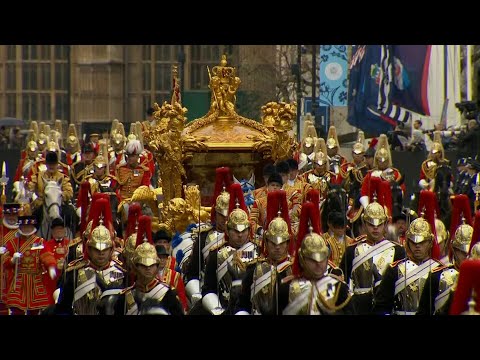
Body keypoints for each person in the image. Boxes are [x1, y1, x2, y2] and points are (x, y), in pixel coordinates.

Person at [55, 198, 126, 315]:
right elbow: (63, 308)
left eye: (105, 249)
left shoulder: (122, 272)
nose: (101, 253)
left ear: (111, 249)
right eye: (96, 249)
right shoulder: (74, 273)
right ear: (89, 248)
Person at [282, 201, 354, 315]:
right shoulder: (286, 288)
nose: (318, 263)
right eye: (312, 259)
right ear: (302, 259)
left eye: (322, 258)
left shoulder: (339, 287)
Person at [339, 199, 406, 315]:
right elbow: (343, 285)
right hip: (358, 308)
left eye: (379, 224)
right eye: (371, 224)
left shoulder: (398, 251)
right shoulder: (351, 250)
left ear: (385, 224)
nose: (375, 228)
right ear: (364, 224)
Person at [201, 183, 259, 315]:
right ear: (227, 230)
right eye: (235, 231)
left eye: (244, 230)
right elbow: (209, 288)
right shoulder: (216, 254)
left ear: (249, 230)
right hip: (224, 307)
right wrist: (216, 310)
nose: (240, 235)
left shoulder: (259, 251)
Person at [235, 190, 293, 315]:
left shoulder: (296, 270)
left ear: (288, 243)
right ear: (266, 242)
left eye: (281, 243)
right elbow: (243, 305)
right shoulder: (254, 269)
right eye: (273, 243)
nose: (277, 247)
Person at [373, 216, 443, 315]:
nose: (417, 246)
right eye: (413, 242)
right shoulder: (394, 270)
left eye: (422, 242)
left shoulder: (440, 271)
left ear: (430, 242)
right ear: (408, 242)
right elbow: (382, 306)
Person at [184, 167, 231, 307]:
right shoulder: (204, 236)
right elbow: (193, 271)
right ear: (215, 213)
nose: (224, 219)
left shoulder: (242, 238)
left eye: (227, 214)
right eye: (221, 215)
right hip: (208, 292)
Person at [118, 215, 184, 315]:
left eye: (151, 265)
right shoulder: (125, 297)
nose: (148, 268)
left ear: (157, 266)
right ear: (135, 267)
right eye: (143, 265)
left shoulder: (168, 294)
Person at [3, 214, 53, 315]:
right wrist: (12, 260)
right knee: (16, 308)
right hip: (18, 279)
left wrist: (51, 266)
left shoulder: (39, 242)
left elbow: (46, 256)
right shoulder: (13, 243)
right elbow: (4, 261)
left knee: (35, 310)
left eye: (28, 226)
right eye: (24, 227)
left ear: (33, 227)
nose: (26, 229)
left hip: (35, 279)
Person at [41, 217, 70, 307]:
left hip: (66, 277)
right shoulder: (47, 244)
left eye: (61, 228)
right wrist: (52, 266)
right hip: (52, 279)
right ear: (52, 231)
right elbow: (46, 256)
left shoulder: (70, 243)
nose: (59, 231)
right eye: (57, 229)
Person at [0, 203, 21, 315]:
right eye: (9, 215)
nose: (12, 217)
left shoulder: (23, 230)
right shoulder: (1, 229)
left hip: (16, 271)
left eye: (14, 215)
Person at [156, 245, 188, 312]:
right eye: (159, 257)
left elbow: (181, 295)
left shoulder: (175, 275)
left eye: (164, 258)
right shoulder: (150, 276)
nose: (162, 260)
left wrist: (183, 310)